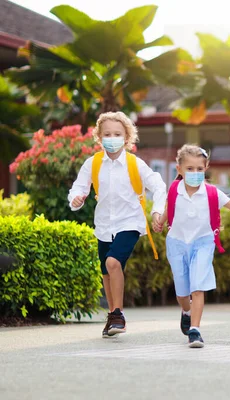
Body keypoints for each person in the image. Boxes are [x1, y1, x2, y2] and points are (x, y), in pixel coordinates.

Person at [153, 144, 230, 348]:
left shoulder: (212, 193)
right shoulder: (175, 189)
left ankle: (195, 330)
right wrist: (161, 221)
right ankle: (186, 311)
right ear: (179, 169)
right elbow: (169, 209)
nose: (195, 173)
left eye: (199, 169)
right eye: (190, 169)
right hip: (176, 243)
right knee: (182, 293)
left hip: (203, 243)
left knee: (198, 287)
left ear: (206, 168)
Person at [68, 111, 166, 338]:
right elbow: (79, 188)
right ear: (99, 138)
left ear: (127, 137)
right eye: (107, 134)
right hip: (103, 225)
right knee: (106, 272)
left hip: (130, 222)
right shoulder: (92, 164)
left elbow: (159, 186)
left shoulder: (135, 163)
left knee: (113, 263)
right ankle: (113, 315)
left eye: (117, 134)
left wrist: (157, 211)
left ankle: (118, 315)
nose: (112, 138)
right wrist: (76, 198)